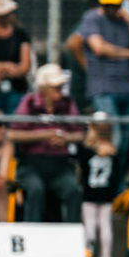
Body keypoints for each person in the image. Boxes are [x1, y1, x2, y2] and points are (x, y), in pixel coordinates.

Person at [66, 0, 129, 156]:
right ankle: (104, 181)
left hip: (126, 88)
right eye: (107, 4)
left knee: (125, 143)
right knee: (112, 139)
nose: (111, 8)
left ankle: (119, 183)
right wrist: (128, 54)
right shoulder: (92, 17)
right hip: (103, 89)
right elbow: (97, 48)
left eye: (115, 4)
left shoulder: (127, 21)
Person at [11, 65, 86, 223]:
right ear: (43, 87)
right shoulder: (29, 102)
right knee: (35, 190)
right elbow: (14, 133)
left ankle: (71, 232)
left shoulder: (67, 103)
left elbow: (81, 134)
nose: (60, 89)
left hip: (60, 165)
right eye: (55, 86)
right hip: (31, 164)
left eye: (60, 86)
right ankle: (33, 232)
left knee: (73, 190)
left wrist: (65, 138)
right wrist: (44, 135)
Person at [81, 114, 120, 257]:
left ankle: (88, 256)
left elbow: (83, 170)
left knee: (91, 227)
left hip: (91, 193)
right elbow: (116, 175)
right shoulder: (112, 150)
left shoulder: (87, 149)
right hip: (105, 194)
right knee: (105, 226)